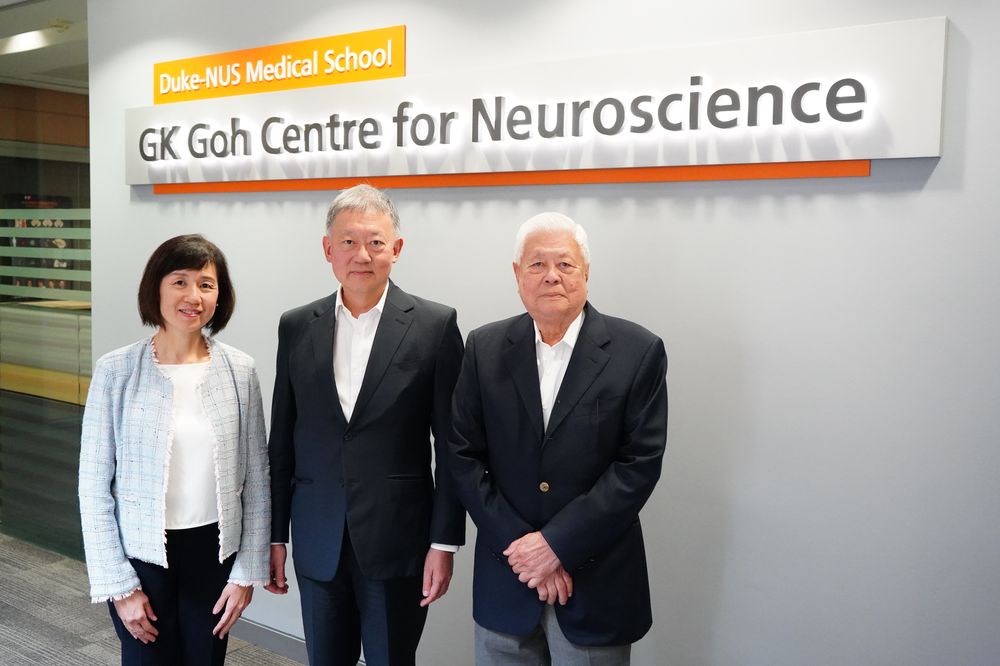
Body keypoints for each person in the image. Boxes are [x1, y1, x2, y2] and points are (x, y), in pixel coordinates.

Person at [449, 212, 668, 665]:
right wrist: (525, 551)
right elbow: (462, 455)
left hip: (594, 584)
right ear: (517, 274)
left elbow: (637, 466)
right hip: (506, 580)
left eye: (565, 265)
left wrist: (556, 545)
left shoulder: (638, 351)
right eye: (537, 265)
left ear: (586, 272)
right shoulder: (483, 348)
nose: (551, 276)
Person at [266, 184, 465, 666]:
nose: (362, 254)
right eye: (349, 242)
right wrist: (275, 535)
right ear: (327, 249)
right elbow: (283, 441)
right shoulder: (296, 326)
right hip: (317, 535)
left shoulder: (434, 326)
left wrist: (444, 541)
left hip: (399, 540)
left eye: (376, 242)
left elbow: (455, 445)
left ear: (396, 249)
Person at [78, 234, 270, 666]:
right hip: (141, 557)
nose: (193, 296)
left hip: (216, 554)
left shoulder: (240, 371)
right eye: (179, 281)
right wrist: (119, 585)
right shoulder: (117, 370)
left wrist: (246, 573)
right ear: (156, 289)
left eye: (206, 284)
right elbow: (93, 486)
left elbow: (258, 478)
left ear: (220, 296)